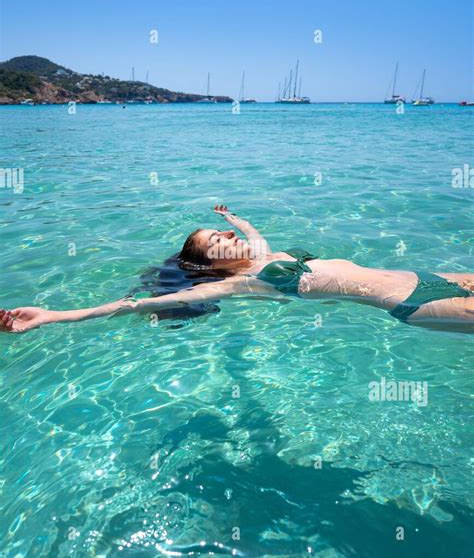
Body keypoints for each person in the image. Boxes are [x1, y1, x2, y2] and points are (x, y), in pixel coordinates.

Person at [1, 205, 473, 334]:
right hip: (413, 302)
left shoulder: (267, 254)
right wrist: (53, 315)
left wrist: (229, 217)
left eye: (222, 233)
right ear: (214, 264)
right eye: (217, 241)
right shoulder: (246, 282)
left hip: (432, 276)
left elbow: (250, 226)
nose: (227, 238)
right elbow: (138, 303)